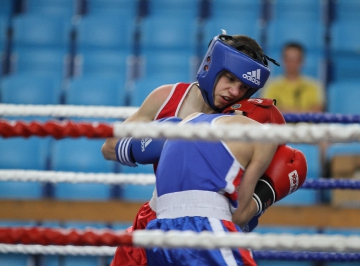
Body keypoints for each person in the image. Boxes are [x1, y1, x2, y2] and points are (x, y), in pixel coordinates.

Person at [103, 32, 279, 265]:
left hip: (211, 221)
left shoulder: (240, 119)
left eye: (244, 87)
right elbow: (108, 147)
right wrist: (152, 142)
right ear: (211, 66)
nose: (235, 92)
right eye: (229, 78)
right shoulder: (167, 98)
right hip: (158, 214)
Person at [145, 97, 308, 265]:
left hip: (158, 233)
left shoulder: (188, 120)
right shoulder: (264, 136)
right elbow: (239, 217)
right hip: (207, 228)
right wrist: (268, 192)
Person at [261, 42, 324, 113]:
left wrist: (284, 109)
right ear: (283, 60)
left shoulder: (314, 85)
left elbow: (317, 110)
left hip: (307, 124)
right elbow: (268, 109)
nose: (292, 63)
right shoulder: (271, 86)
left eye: (295, 59)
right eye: (288, 59)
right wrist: (304, 111)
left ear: (302, 61)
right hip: (280, 124)